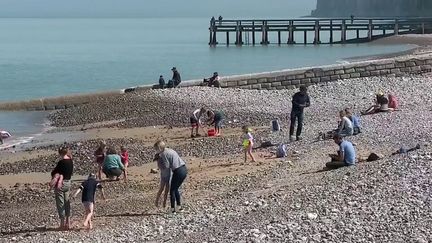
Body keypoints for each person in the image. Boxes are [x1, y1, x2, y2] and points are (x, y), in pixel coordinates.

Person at [154, 140, 187, 213]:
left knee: (172, 190)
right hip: (183, 169)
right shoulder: (169, 150)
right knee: (176, 189)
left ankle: (173, 210)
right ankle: (179, 207)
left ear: (159, 148)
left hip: (178, 171)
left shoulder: (163, 154)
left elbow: (166, 165)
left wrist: (159, 162)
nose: (156, 151)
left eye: (156, 149)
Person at [51, 146, 74, 230]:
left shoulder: (61, 162)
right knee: (67, 202)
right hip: (68, 182)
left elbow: (53, 172)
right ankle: (68, 222)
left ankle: (62, 224)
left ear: (60, 153)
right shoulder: (70, 161)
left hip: (61, 183)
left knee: (60, 203)